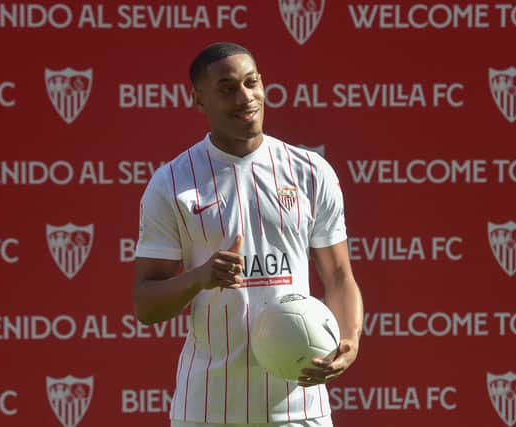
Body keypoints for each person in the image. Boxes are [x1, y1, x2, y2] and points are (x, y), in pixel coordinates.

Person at [134, 42, 363, 427]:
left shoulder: (310, 171)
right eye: (226, 88)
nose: (245, 97)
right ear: (199, 99)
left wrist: (350, 340)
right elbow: (146, 304)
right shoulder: (171, 183)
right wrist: (199, 278)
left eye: (251, 83)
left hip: (300, 407)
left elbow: (339, 276)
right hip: (207, 409)